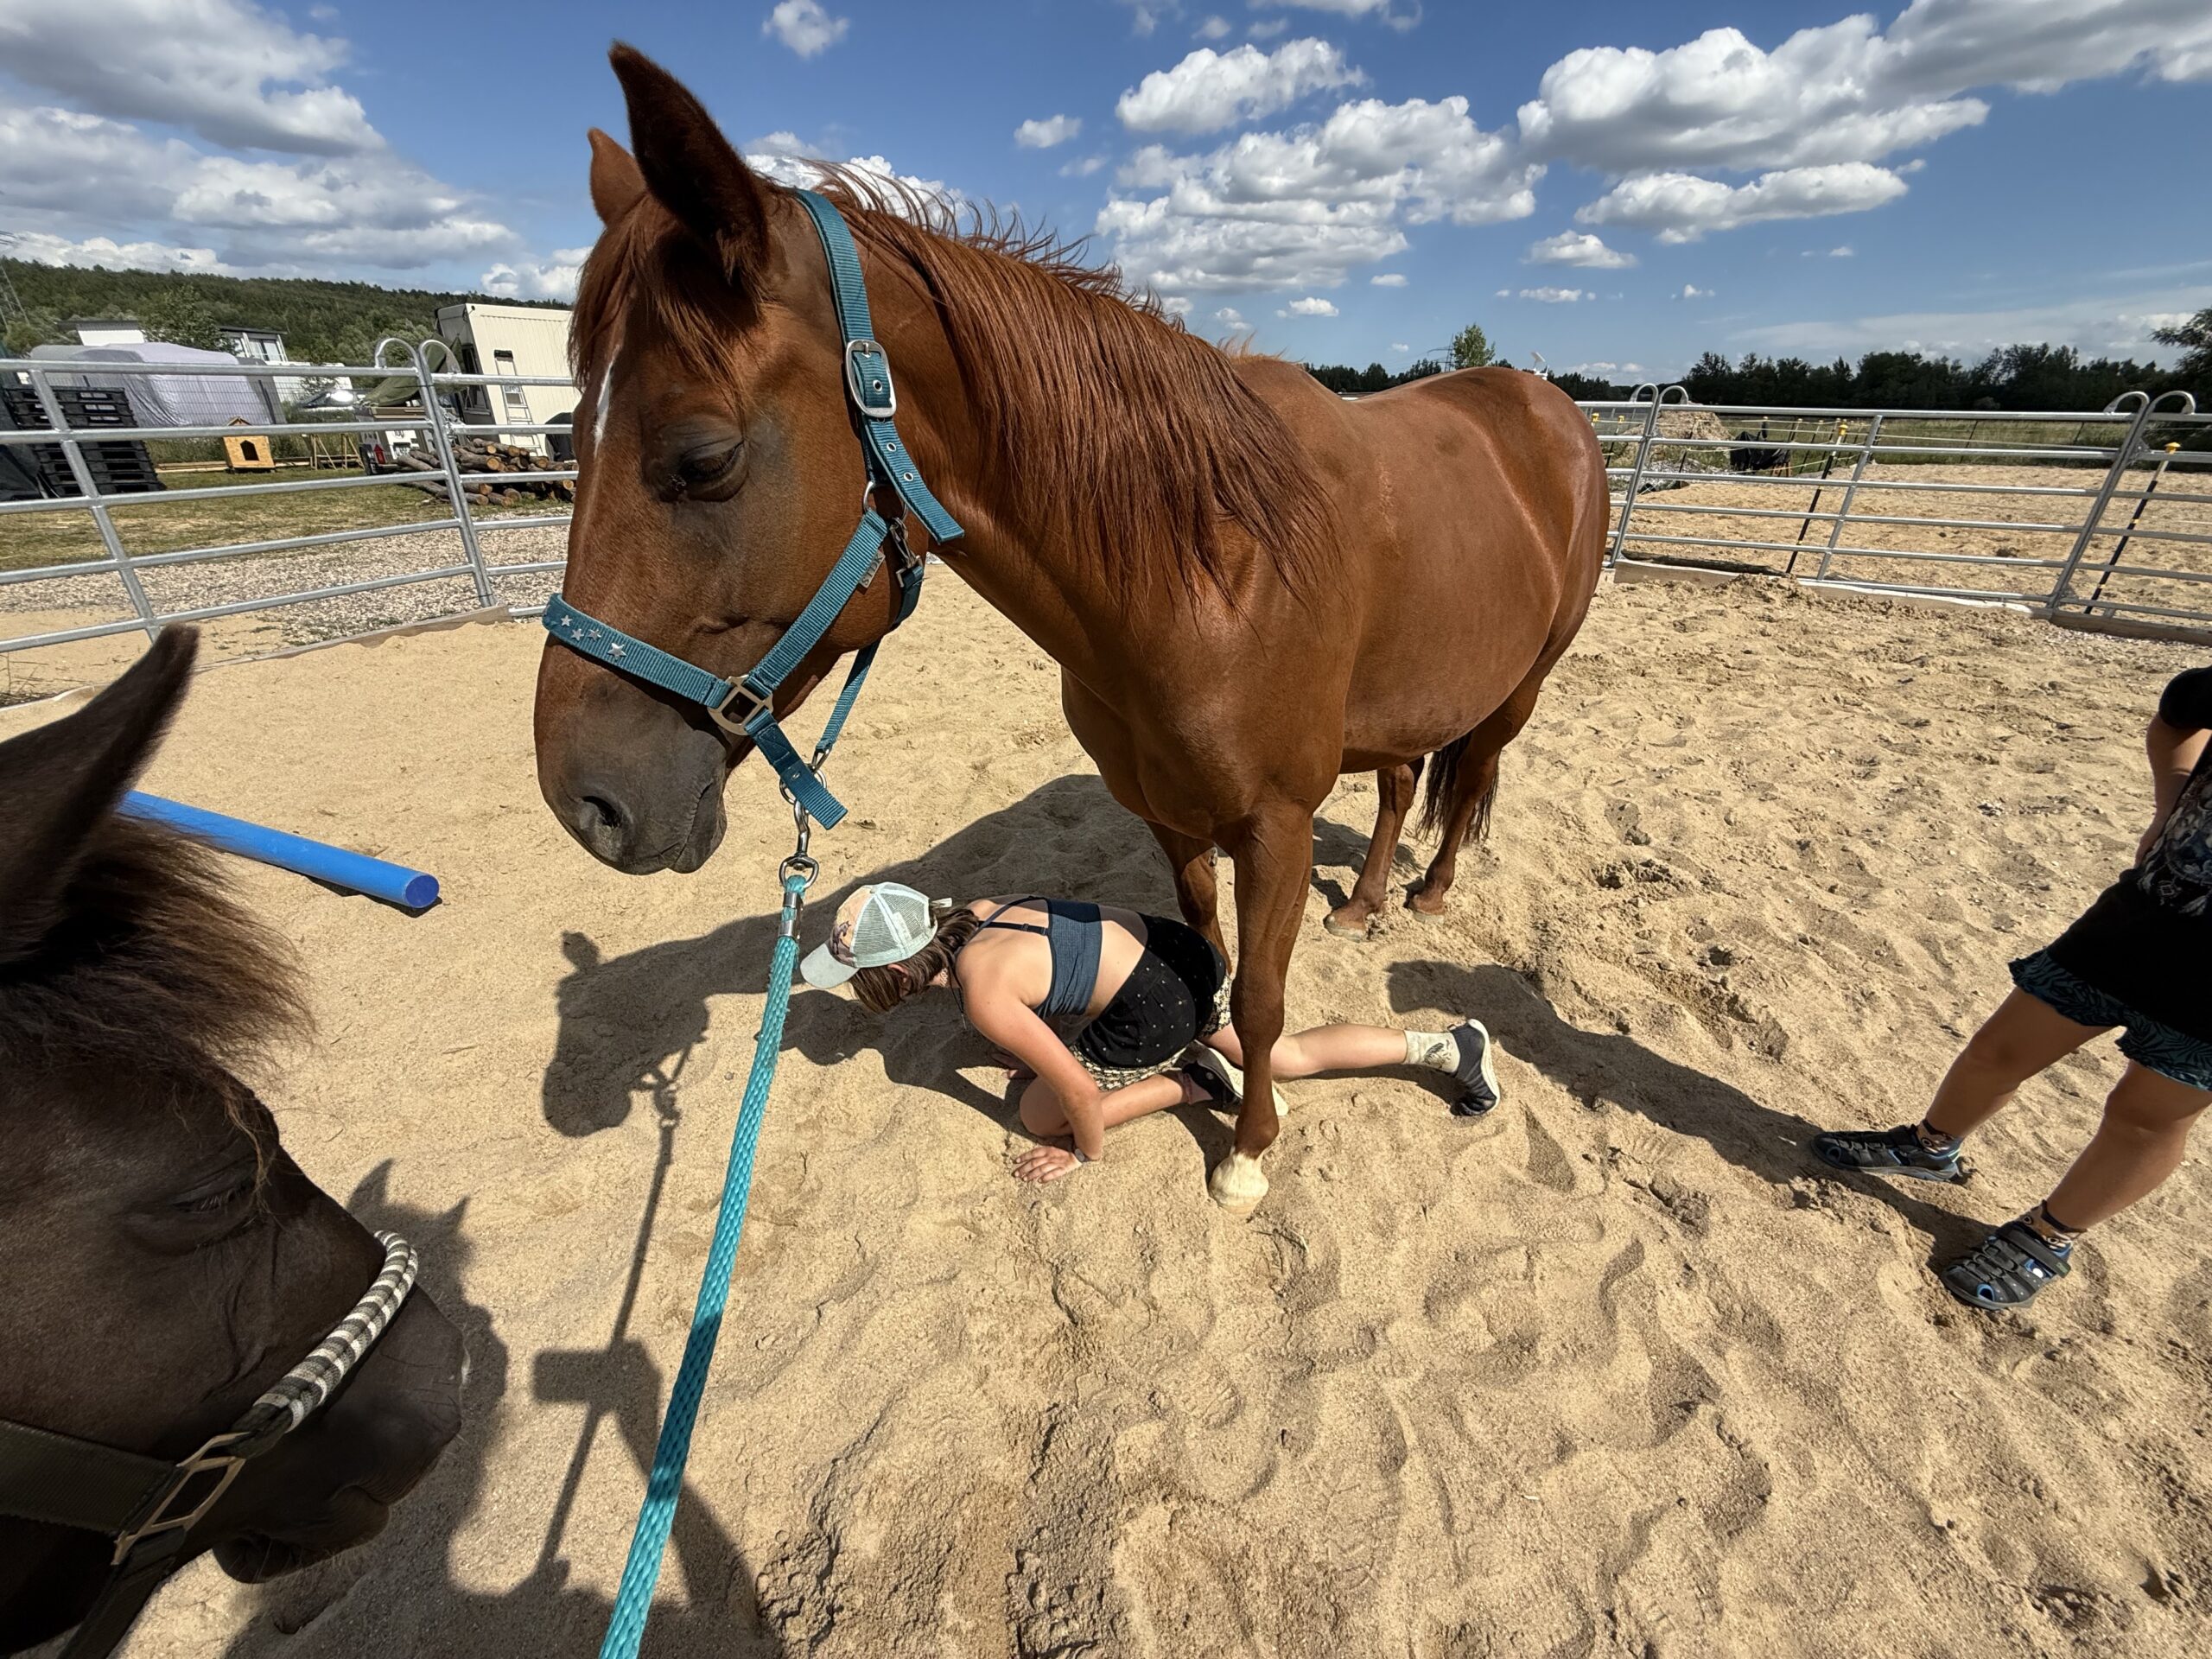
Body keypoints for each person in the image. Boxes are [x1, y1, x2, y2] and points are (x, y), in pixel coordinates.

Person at [1813, 667, 2212, 1311]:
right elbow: (2177, 716)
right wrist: (2171, 803)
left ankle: (2050, 1235)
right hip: (2143, 916)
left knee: (2146, 1118)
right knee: (2000, 1050)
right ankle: (1930, 1146)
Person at [799, 883, 1501, 1183]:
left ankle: (1194, 1082)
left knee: (1041, 1113)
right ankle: (1443, 1046)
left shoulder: (983, 996)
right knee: (1283, 1056)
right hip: (1181, 952)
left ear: (897, 977)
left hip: (1155, 1010)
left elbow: (1073, 1088)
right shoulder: (980, 910)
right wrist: (1037, 1046)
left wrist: (1083, 1154)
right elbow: (1054, 966)